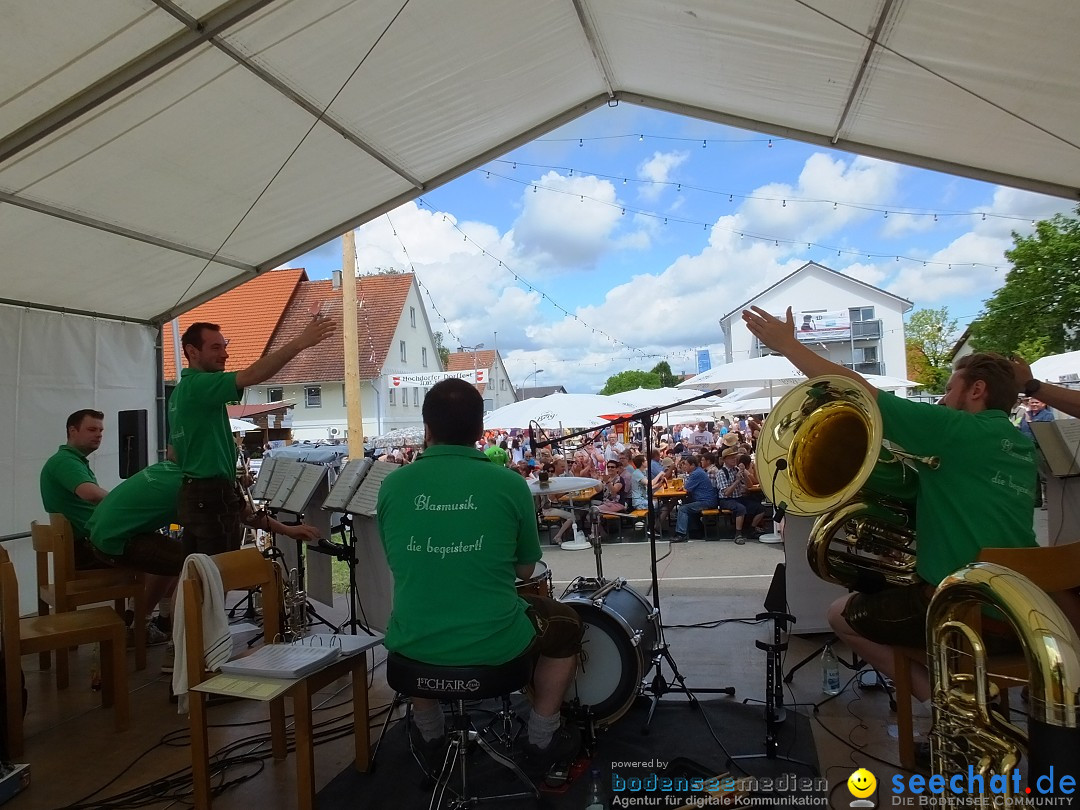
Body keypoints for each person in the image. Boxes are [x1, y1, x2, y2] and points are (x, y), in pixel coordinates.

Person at [743, 305, 1037, 703]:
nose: (943, 399)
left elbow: (861, 390)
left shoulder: (957, 430)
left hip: (962, 608)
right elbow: (933, 491)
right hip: (1021, 605)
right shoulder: (1020, 444)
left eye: (950, 389)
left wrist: (788, 345)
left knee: (839, 616)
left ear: (977, 390)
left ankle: (945, 700)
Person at [376, 379, 582, 773]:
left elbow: (399, 560)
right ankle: (542, 738)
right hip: (493, 644)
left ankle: (429, 732)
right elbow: (524, 570)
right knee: (567, 624)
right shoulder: (508, 483)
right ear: (479, 430)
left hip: (412, 644)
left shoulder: (392, 485)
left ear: (427, 428)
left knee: (419, 617)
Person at [87, 459, 320, 672]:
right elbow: (247, 516)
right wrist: (288, 530)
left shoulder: (172, 468)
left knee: (180, 558)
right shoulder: (196, 488)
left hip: (102, 534)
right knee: (195, 568)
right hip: (115, 543)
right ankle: (179, 650)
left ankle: (140, 626)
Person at [169, 317, 334, 556]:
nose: (225, 354)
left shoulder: (177, 394)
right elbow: (251, 375)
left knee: (199, 579)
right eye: (216, 347)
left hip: (195, 493)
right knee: (217, 578)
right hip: (210, 493)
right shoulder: (199, 385)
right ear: (192, 352)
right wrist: (300, 343)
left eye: (225, 346)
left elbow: (174, 454)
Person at [40, 409, 110, 568]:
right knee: (171, 555)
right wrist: (123, 502)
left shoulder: (70, 461)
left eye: (101, 430)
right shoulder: (65, 461)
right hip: (87, 549)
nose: (99, 434)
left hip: (84, 546)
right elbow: (89, 493)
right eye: (92, 430)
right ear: (72, 431)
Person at [672, 455, 718, 543]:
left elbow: (687, 487)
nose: (684, 467)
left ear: (692, 465)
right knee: (686, 503)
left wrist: (684, 488)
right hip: (705, 500)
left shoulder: (696, 474)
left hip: (706, 502)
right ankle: (695, 529)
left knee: (683, 509)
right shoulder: (698, 472)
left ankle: (681, 534)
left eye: (686, 465)